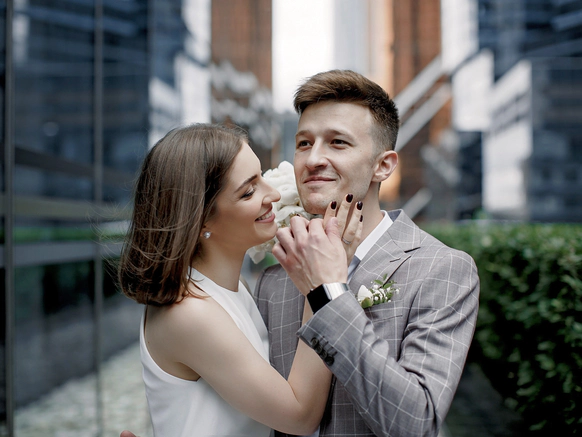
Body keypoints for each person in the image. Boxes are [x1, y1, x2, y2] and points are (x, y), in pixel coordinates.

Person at [255, 70, 480, 437]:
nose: (313, 159)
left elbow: (416, 424)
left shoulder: (442, 269)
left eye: (338, 143)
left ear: (383, 165)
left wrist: (328, 293)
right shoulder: (274, 279)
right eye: (303, 143)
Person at [118, 123, 363, 437]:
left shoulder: (230, 289)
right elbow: (300, 416)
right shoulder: (190, 313)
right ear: (201, 218)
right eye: (249, 191)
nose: (274, 194)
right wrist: (322, 286)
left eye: (261, 177)